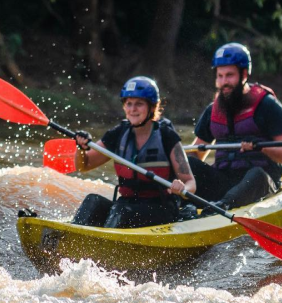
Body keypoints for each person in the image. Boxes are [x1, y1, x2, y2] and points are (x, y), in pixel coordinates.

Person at [71, 76, 196, 228]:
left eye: (139, 104)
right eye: (129, 104)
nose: (132, 109)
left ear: (152, 107)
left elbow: (191, 183)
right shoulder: (118, 133)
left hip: (161, 207)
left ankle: (105, 246)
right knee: (93, 201)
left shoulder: (166, 136)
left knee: (122, 211)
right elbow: (84, 166)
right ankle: (69, 240)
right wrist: (81, 149)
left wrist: (182, 187)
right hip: (126, 204)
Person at [188, 43, 282, 212]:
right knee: (189, 164)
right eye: (220, 76)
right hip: (225, 182)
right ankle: (181, 206)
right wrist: (174, 156)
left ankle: (222, 207)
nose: (224, 82)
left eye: (230, 75)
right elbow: (197, 153)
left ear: (244, 74)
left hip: (260, 184)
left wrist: (263, 149)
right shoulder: (213, 110)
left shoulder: (266, 106)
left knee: (256, 175)